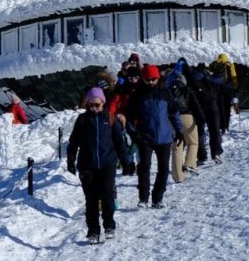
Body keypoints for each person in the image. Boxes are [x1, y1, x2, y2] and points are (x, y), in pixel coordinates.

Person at [66, 87, 132, 244]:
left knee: (108, 195)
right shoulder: (82, 120)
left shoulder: (109, 118)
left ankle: (109, 225)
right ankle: (93, 231)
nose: (94, 108)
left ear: (103, 102)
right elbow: (73, 142)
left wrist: (125, 162)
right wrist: (70, 160)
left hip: (107, 163)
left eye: (97, 104)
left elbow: (118, 142)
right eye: (91, 105)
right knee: (91, 199)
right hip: (87, 165)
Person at [128, 64, 177, 208]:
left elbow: (174, 113)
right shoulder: (138, 95)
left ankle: (157, 198)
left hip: (164, 137)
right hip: (145, 137)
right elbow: (129, 116)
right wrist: (134, 133)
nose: (150, 82)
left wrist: (179, 131)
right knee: (144, 167)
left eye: (153, 79)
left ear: (158, 78)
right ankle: (143, 198)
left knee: (163, 169)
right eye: (147, 79)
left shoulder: (165, 93)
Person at [168, 69, 203, 182]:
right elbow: (197, 106)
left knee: (177, 147)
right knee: (193, 143)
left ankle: (178, 176)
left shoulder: (168, 92)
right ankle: (189, 163)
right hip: (187, 117)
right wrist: (201, 119)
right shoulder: (188, 91)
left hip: (172, 119)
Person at [210, 53, 237, 132]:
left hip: (219, 89)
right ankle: (227, 126)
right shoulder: (230, 65)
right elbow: (233, 76)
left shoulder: (217, 64)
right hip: (228, 89)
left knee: (220, 108)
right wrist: (235, 88)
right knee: (227, 109)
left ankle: (222, 126)